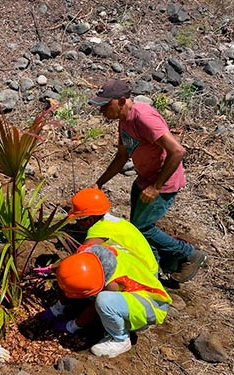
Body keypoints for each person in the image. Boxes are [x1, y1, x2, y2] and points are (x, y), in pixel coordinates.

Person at [89, 79, 206, 283]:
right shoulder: (124, 121)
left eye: (105, 106)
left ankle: (189, 254)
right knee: (138, 228)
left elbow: (178, 151)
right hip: (144, 180)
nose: (102, 111)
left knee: (142, 228)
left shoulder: (144, 118)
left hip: (162, 183)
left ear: (122, 100)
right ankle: (154, 269)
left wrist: (156, 187)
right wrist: (100, 183)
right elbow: (121, 157)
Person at [39, 187, 159, 326]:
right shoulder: (112, 222)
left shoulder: (98, 230)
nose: (77, 224)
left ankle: (102, 323)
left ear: (90, 219)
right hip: (142, 269)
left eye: (79, 220)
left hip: (141, 281)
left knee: (83, 279)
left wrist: (51, 268)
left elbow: (78, 262)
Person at [55, 244, 172, 358]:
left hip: (153, 304)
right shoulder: (89, 253)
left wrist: (72, 326)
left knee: (104, 301)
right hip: (135, 294)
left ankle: (121, 339)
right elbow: (72, 274)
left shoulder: (112, 283)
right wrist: (56, 308)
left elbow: (94, 308)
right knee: (101, 300)